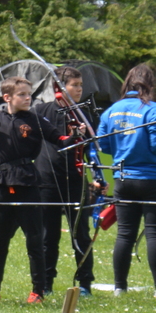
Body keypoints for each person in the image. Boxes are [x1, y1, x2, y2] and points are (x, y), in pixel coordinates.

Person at [0, 77, 49, 302]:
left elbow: (61, 139)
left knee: (34, 241)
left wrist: (75, 135)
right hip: (3, 185)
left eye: (29, 94)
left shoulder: (35, 120)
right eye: (22, 94)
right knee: (0, 241)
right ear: (7, 97)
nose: (28, 98)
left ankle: (38, 291)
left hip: (28, 184)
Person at [34, 66, 100, 294]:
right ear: (59, 88)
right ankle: (45, 283)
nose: (79, 89)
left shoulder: (84, 114)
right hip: (47, 179)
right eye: (74, 85)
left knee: (81, 234)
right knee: (48, 235)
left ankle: (85, 283)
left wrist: (98, 177)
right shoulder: (41, 110)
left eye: (81, 85)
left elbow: (92, 149)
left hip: (75, 180)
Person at [96, 63, 156, 296]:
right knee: (153, 233)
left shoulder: (111, 110)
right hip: (150, 178)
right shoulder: (151, 109)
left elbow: (103, 145)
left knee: (124, 233)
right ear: (149, 84)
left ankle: (120, 287)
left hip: (122, 178)